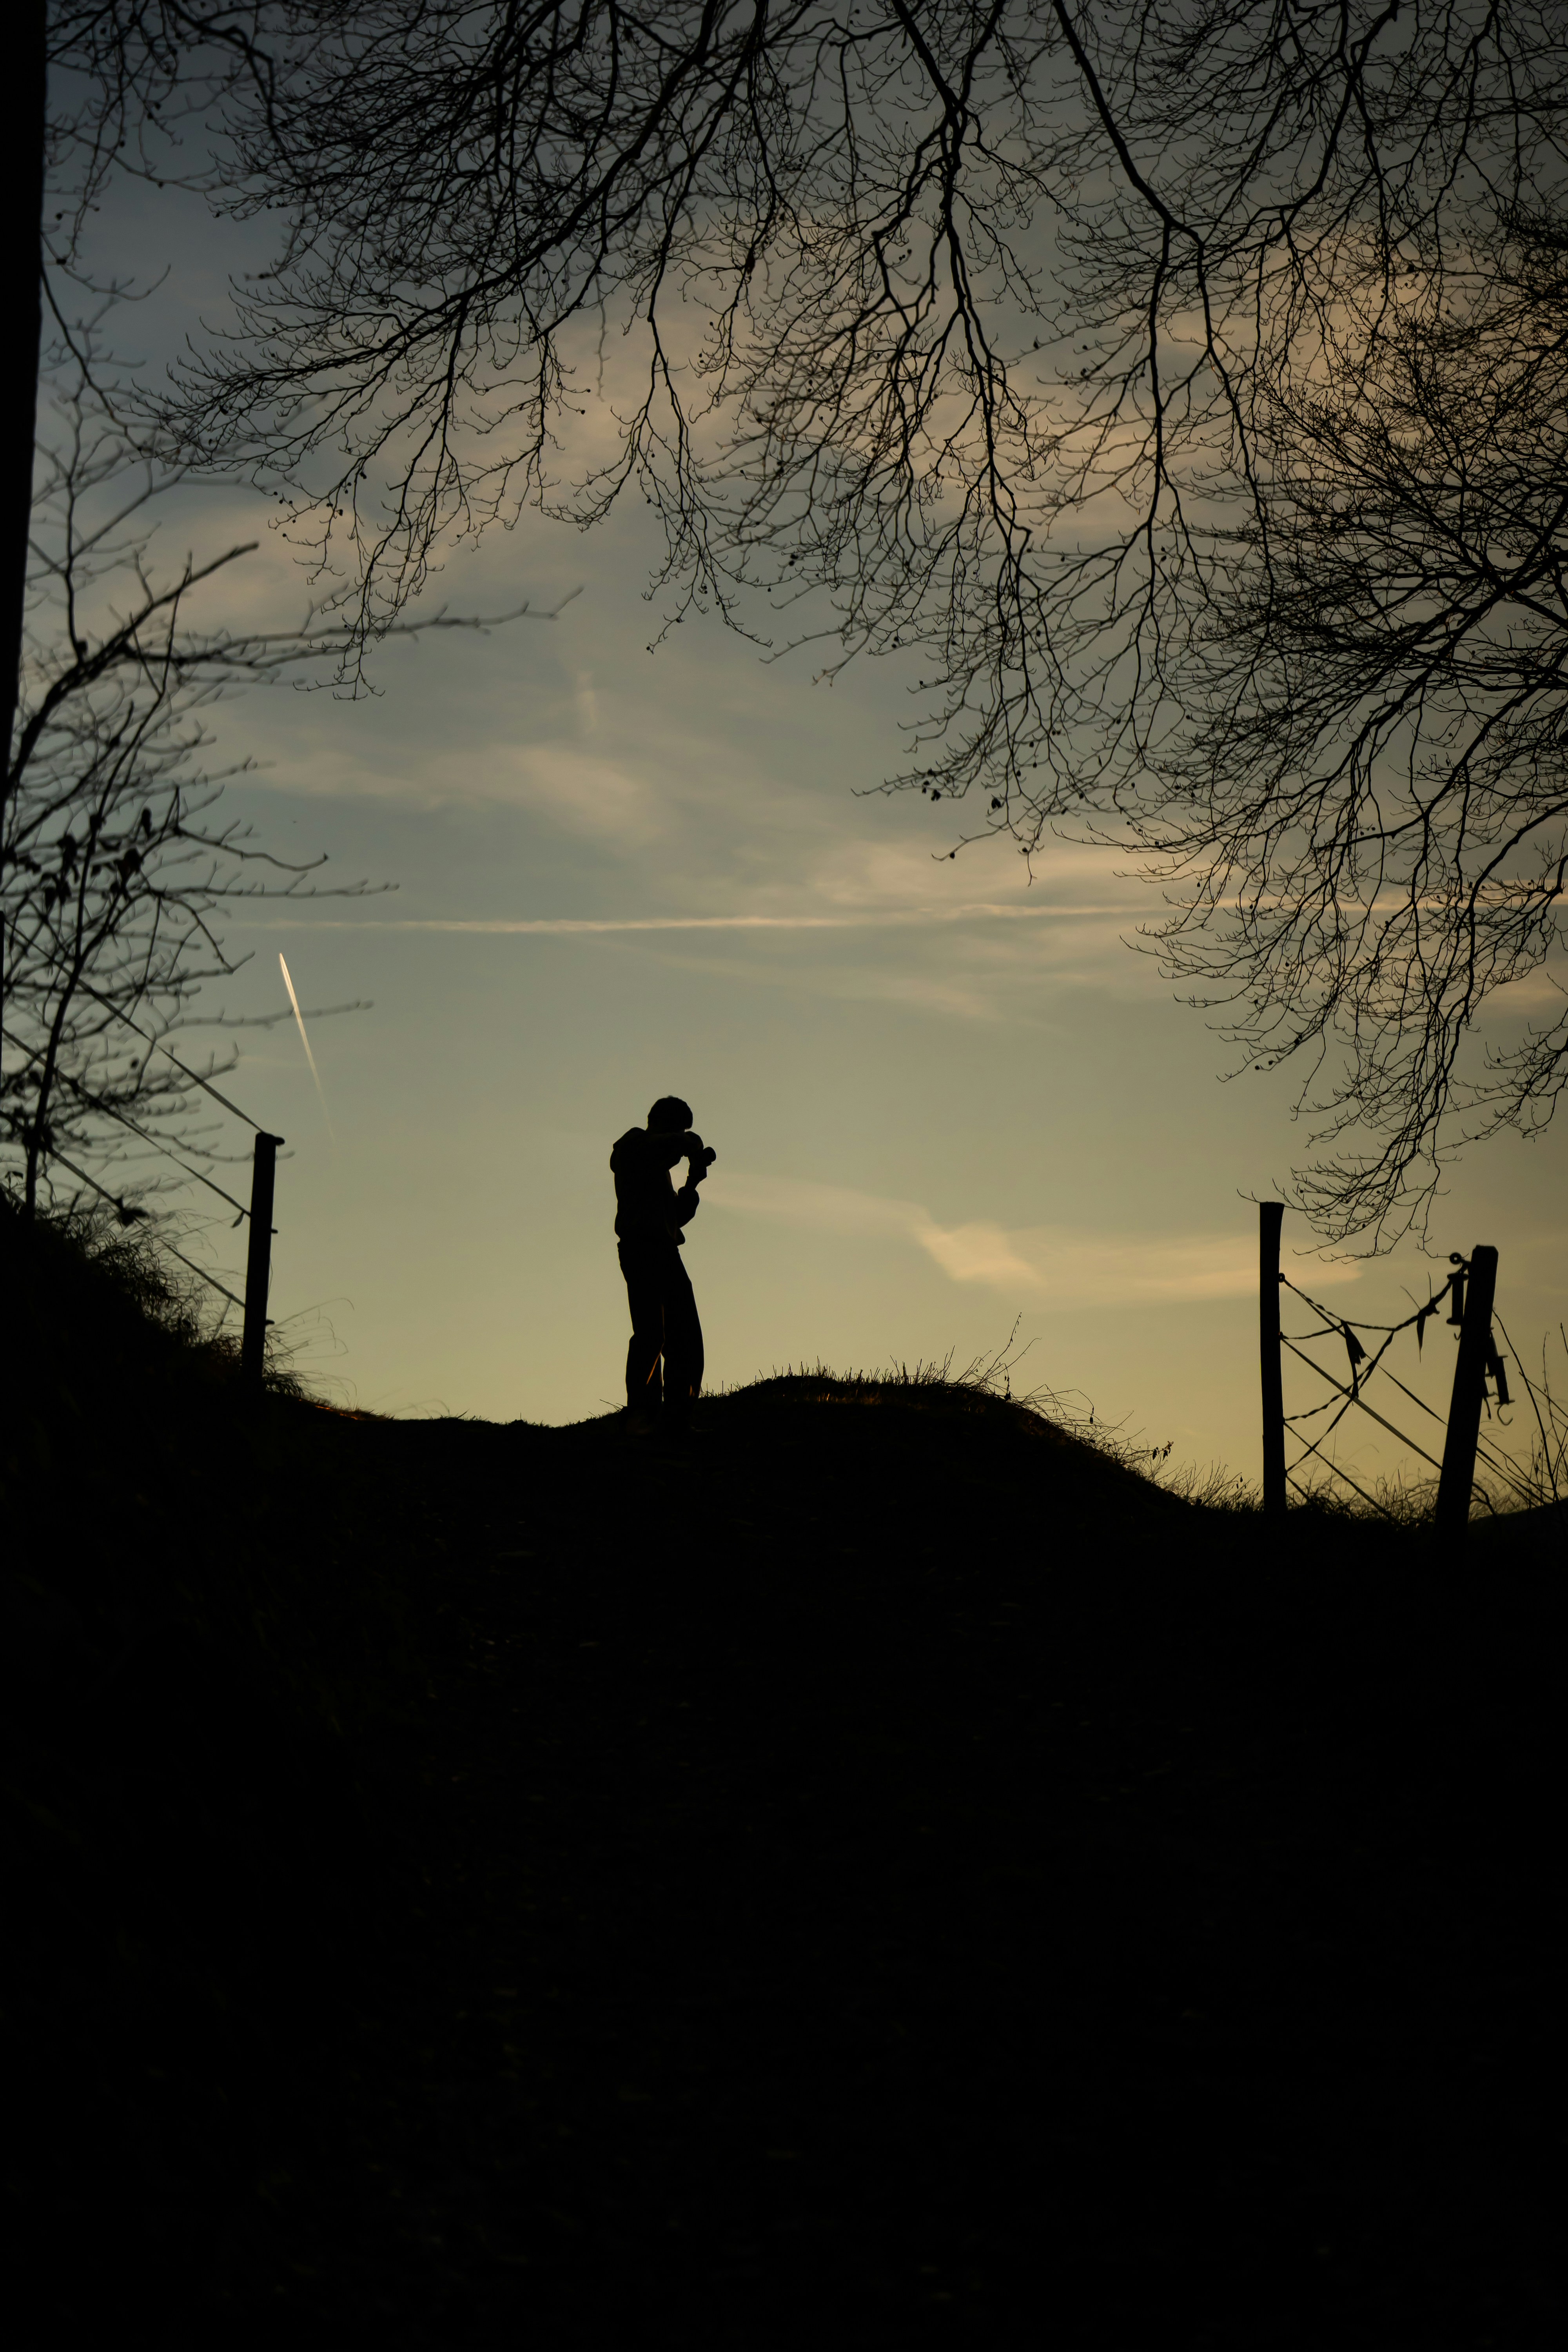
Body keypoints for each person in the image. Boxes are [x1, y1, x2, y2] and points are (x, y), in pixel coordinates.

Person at [610, 1096, 716, 1434]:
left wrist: (692, 1184)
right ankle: (641, 1412)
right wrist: (688, 1143)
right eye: (676, 1127)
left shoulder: (659, 1168)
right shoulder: (632, 1145)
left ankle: (676, 1415)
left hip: (666, 1252)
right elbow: (663, 1147)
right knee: (651, 1332)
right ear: (657, 1122)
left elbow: (677, 1218)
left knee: (684, 1334)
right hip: (641, 1248)